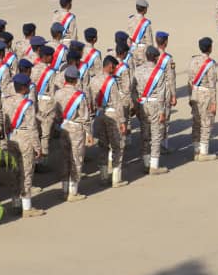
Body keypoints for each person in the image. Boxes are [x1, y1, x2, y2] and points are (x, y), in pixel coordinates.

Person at [2, 73, 44, 218]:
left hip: (11, 137)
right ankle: (27, 208)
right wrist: (38, 147)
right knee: (26, 172)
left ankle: (15, 203)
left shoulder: (6, 101)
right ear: (25, 88)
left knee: (13, 171)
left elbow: (3, 123)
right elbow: (32, 127)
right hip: (25, 138)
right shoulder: (28, 105)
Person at [53, 65, 92, 202]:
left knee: (65, 159)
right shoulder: (79, 96)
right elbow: (85, 117)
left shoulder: (58, 93)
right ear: (76, 80)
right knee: (76, 159)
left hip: (63, 127)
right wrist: (89, 134)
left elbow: (56, 114)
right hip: (76, 129)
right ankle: (73, 191)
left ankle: (64, 189)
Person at [88, 55, 128, 188]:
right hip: (112, 115)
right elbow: (117, 102)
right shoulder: (111, 82)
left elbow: (90, 100)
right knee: (117, 146)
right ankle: (116, 178)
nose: (115, 69)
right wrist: (122, 121)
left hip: (99, 115)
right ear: (110, 66)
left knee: (103, 146)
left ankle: (103, 176)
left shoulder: (93, 80)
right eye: (114, 67)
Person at [134, 46, 169, 175]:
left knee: (144, 135)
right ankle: (154, 166)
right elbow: (161, 93)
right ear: (155, 58)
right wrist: (162, 111)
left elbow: (133, 90)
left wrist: (136, 106)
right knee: (155, 135)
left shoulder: (137, 71)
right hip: (154, 105)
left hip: (142, 104)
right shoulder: (159, 72)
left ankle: (146, 163)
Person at [189, 37, 218, 162]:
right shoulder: (210, 64)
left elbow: (189, 80)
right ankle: (204, 152)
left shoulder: (193, 61)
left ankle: (196, 149)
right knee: (206, 122)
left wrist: (190, 96)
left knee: (196, 121)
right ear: (210, 48)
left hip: (195, 93)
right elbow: (212, 84)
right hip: (206, 94)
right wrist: (214, 102)